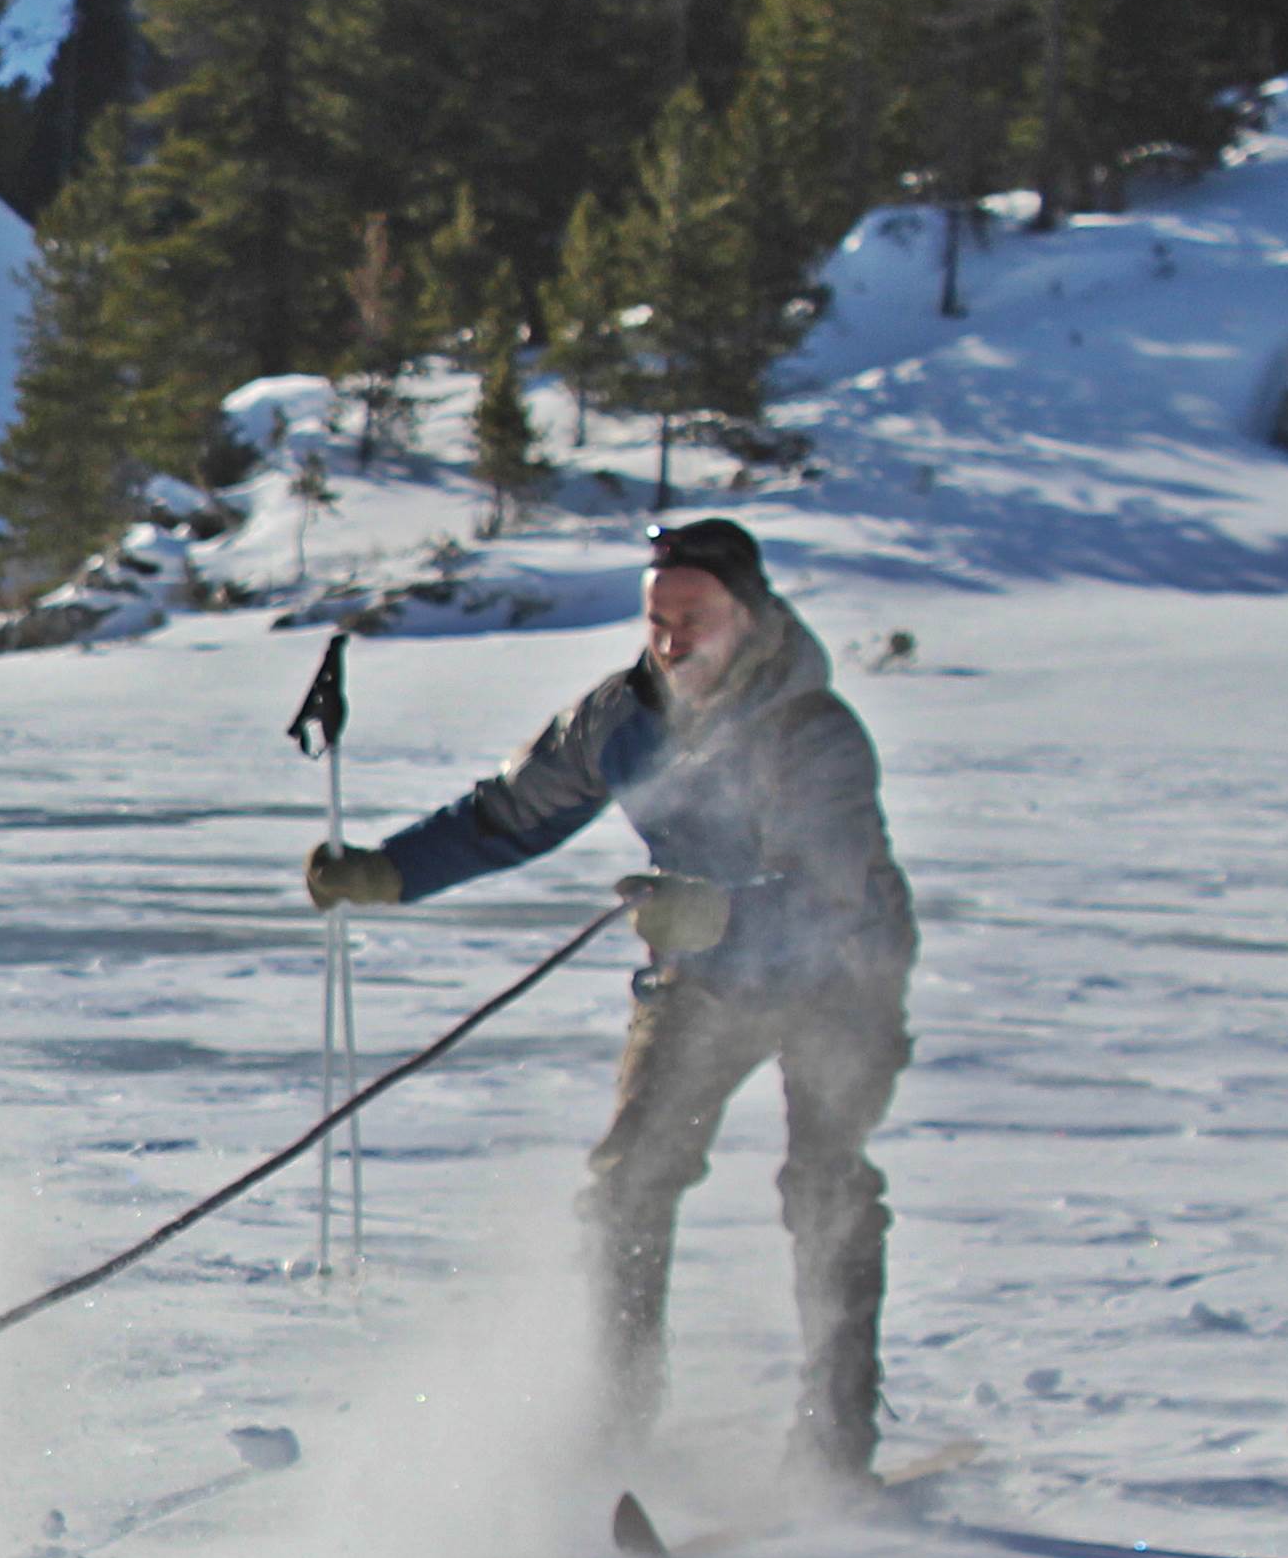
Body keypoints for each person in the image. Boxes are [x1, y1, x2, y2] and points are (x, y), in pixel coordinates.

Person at [307, 515, 916, 1481]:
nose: (672, 640)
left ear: (750, 617)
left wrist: (714, 910)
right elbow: (511, 812)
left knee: (824, 1186)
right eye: (657, 617)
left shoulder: (814, 732)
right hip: (704, 970)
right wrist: (389, 872)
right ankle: (618, 1434)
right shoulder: (627, 715)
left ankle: (835, 1447)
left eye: (695, 617)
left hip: (842, 973)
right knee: (629, 1185)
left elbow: (832, 890)